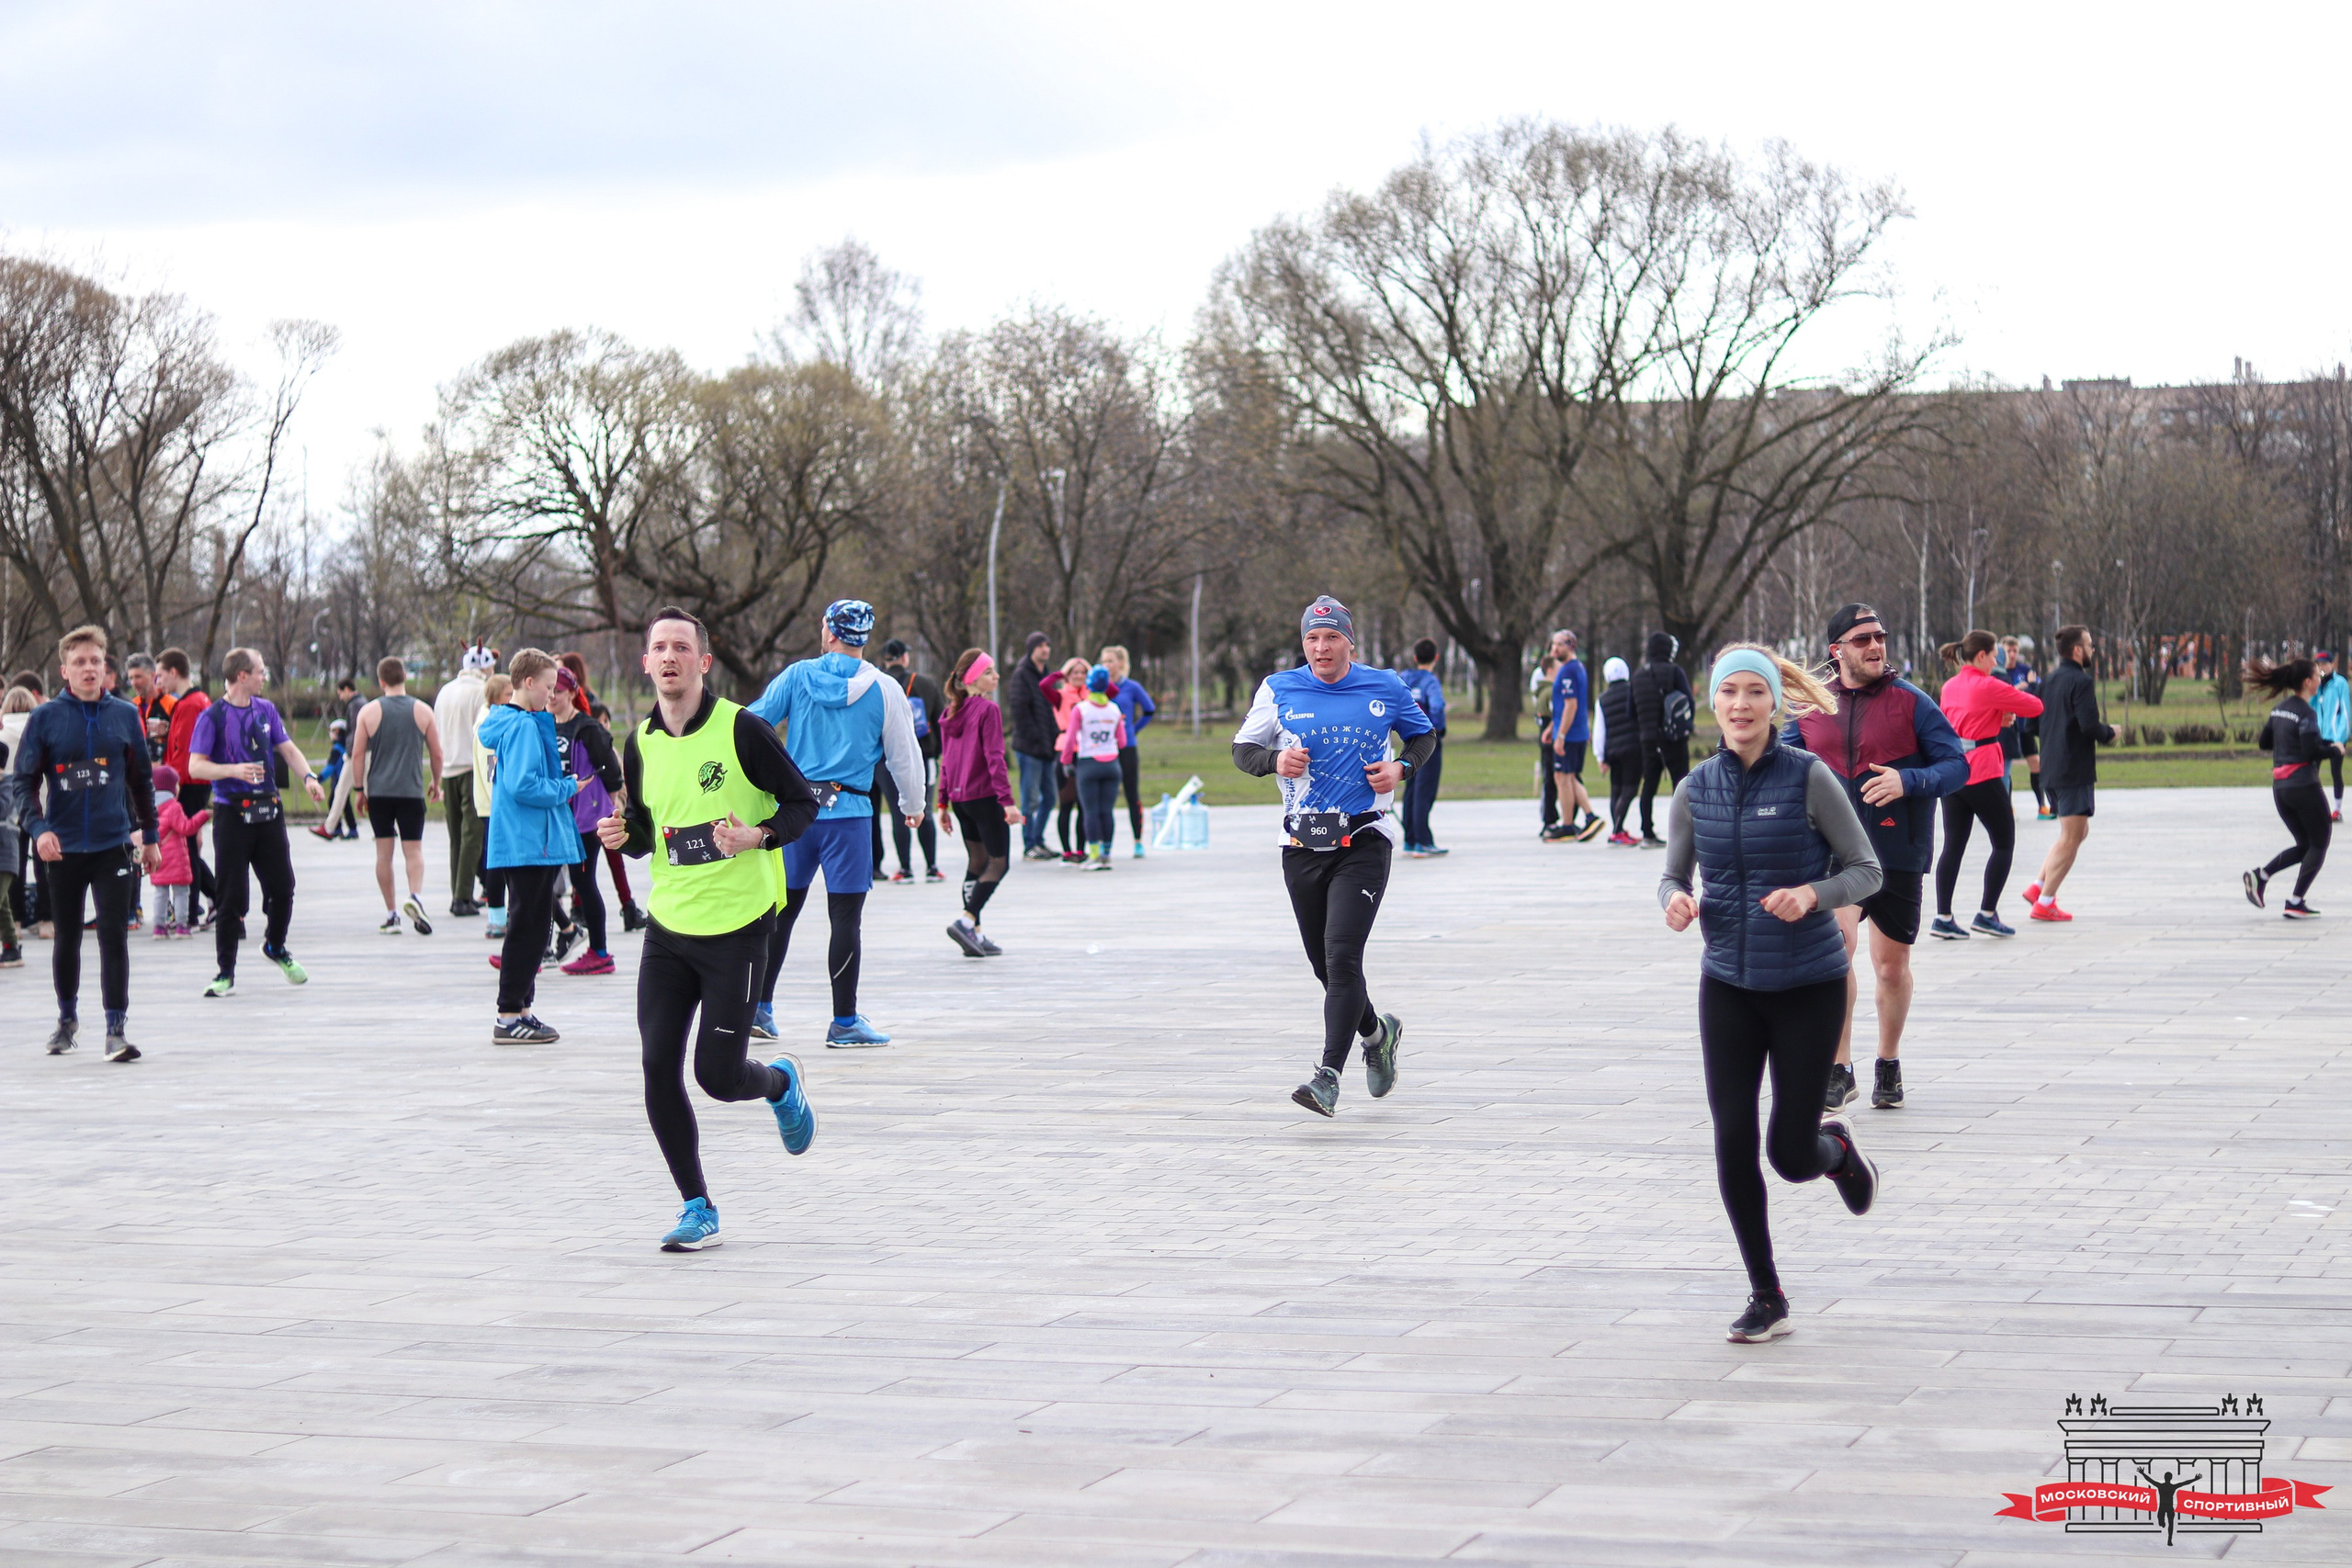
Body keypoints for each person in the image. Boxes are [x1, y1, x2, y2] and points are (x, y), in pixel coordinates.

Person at [1658, 644, 1883, 1344]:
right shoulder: (1695, 788)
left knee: (1788, 1153)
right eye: (1730, 693)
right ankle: (1766, 1292)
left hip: (1808, 986)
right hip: (1726, 984)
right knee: (1731, 1142)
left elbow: (1866, 869)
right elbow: (1671, 876)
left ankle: (1836, 1151)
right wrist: (1674, 903)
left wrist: (1814, 894)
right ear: (1715, 704)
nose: (1742, 705)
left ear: (1774, 704)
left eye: (1755, 692)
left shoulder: (1810, 777)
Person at [597, 607, 820, 1252]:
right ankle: (697, 1205)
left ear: (702, 661)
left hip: (739, 929)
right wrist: (623, 833)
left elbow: (803, 802)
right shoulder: (639, 742)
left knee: (717, 1077)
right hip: (669, 930)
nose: (669, 656)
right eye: (658, 647)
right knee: (656, 1064)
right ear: (646, 663)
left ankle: (779, 1082)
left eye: (681, 647)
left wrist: (760, 834)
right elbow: (647, 832)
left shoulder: (741, 730)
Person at [1232, 597, 1433, 1118]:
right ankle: (1377, 1032)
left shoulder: (1384, 686)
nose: (1321, 648)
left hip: (1363, 840)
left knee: (1343, 958)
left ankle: (1327, 1076)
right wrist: (1276, 759)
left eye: (1331, 638)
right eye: (1312, 639)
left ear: (1350, 642)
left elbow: (1425, 736)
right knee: (1326, 968)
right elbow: (1242, 751)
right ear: (1304, 645)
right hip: (1301, 844)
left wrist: (1402, 769)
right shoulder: (1278, 689)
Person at [1788, 604, 1967, 1114]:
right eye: (1863, 638)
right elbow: (1780, 763)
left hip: (1896, 853)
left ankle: (1887, 1061)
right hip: (1834, 857)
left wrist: (1907, 781)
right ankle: (1839, 1067)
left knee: (1890, 968)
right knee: (1836, 951)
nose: (1876, 647)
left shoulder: (1911, 702)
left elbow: (1956, 765)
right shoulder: (1810, 707)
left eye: (1881, 637)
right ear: (1836, 650)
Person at [746, 599, 924, 1048]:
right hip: (851, 815)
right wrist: (913, 802)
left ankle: (759, 1009)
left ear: (829, 631)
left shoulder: (796, 676)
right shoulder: (886, 689)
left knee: (780, 914)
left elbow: (751, 725)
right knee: (845, 919)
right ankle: (844, 1021)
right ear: (865, 637)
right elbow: (905, 753)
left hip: (795, 812)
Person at [16, 625, 160, 1061]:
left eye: (96, 661)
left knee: (114, 935)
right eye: (79, 662)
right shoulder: (46, 718)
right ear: (65, 670)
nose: (89, 668)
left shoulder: (123, 715)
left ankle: (116, 1029)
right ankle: (66, 1019)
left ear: (106, 668)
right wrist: (39, 831)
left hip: (112, 843)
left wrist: (150, 837)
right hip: (62, 848)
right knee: (68, 938)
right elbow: (22, 782)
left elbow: (142, 780)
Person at [188, 648, 326, 998]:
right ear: (242, 676)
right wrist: (234, 771)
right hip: (232, 812)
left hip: (269, 810)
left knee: (283, 888)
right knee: (231, 896)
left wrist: (308, 777)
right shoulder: (212, 717)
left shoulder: (266, 709)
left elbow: (288, 748)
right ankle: (225, 973)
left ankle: (275, 946)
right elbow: (195, 767)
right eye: (261, 671)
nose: (265, 677)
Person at [477, 649, 582, 1043]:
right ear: (528, 683)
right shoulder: (521, 727)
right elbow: (524, 785)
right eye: (549, 687)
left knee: (535, 927)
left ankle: (522, 1008)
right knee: (526, 929)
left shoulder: (517, 722)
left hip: (528, 840)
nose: (552, 695)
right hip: (527, 841)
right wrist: (567, 787)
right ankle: (508, 1015)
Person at [1928, 630, 2043, 941]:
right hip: (1982, 772)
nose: (1997, 662)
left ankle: (1943, 917)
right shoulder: (1990, 684)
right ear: (1981, 656)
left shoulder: (1950, 686)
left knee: (1953, 845)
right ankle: (1987, 913)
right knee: (2004, 842)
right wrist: (2009, 703)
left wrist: (1996, 716)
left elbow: (1964, 718)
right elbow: (2034, 707)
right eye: (1995, 656)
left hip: (1952, 774)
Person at [2021, 626, 2117, 925]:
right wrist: (2110, 733)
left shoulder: (2047, 681)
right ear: (2077, 650)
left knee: (2077, 833)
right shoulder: (2081, 682)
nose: (2092, 650)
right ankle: (2046, 901)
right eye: (2089, 645)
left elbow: (2030, 726)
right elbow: (2090, 726)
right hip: (2073, 769)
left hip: (2050, 770)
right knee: (2072, 836)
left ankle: (2038, 886)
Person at [348, 656, 446, 937]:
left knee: (384, 853)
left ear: (381, 681)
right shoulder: (423, 711)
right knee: (413, 850)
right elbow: (437, 753)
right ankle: (414, 896)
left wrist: (359, 790)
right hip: (411, 792)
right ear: (405, 678)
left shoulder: (368, 712)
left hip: (379, 792)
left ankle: (392, 914)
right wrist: (436, 782)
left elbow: (357, 755)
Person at [936, 649, 1021, 955]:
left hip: (961, 800)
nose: (995, 677)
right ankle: (966, 919)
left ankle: (976, 933)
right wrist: (1008, 802)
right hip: (985, 798)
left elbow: (946, 762)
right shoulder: (988, 711)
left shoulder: (950, 712)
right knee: (999, 863)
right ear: (973, 678)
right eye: (989, 672)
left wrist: (943, 803)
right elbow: (995, 758)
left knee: (977, 862)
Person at [2244, 656, 2339, 919]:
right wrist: (2334, 749)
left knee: (2305, 844)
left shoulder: (2279, 709)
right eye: (2317, 676)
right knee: (2319, 843)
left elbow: (2264, 743)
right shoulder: (2306, 712)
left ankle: (2260, 876)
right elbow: (2310, 750)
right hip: (2304, 787)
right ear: (2308, 682)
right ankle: (2295, 901)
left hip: (2281, 789)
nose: (2320, 678)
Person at [552, 667, 626, 975]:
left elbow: (613, 772)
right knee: (539, 882)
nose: (551, 697)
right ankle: (546, 943)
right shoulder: (544, 725)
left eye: (557, 691)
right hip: (555, 817)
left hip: (585, 820)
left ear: (571, 692)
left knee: (583, 882)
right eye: (548, 691)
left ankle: (600, 952)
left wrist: (608, 807)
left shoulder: (588, 728)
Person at [435, 642, 496, 917]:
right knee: (473, 835)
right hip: (472, 769)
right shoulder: (482, 691)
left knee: (456, 836)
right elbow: (486, 736)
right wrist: (492, 775)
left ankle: (458, 891)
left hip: (448, 769)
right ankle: (462, 896)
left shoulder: (445, 691)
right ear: (484, 666)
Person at [876, 639, 944, 883]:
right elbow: (939, 720)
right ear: (904, 657)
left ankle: (905, 869)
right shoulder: (925, 684)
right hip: (923, 756)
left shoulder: (876, 685)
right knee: (923, 809)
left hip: (885, 759)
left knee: (898, 813)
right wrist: (938, 753)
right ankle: (932, 867)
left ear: (886, 659)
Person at [157, 648, 214, 926]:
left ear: (173, 672)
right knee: (188, 843)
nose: (159, 683)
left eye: (160, 676)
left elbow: (186, 750)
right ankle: (210, 902)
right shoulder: (194, 701)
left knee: (186, 844)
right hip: (194, 780)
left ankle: (194, 909)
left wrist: (171, 781)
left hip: (189, 782)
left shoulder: (191, 704)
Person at [1629, 633, 1696, 847]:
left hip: (1647, 739)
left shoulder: (1638, 675)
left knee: (1649, 784)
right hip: (1673, 738)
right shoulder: (1674, 671)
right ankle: (1684, 833)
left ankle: (1647, 832)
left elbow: (1630, 711)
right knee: (1682, 784)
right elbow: (1688, 703)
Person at [1058, 665, 1128, 870]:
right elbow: (1122, 742)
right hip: (1112, 765)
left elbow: (1070, 739)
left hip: (1089, 763)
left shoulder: (1081, 709)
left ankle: (1094, 854)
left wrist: (1066, 762)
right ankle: (1107, 854)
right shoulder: (1114, 709)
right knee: (1107, 811)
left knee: (1091, 811)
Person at [1540, 629, 1604, 841]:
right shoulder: (1576, 668)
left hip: (1570, 734)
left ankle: (1571, 823)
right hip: (1571, 731)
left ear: (1570, 645)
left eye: (1559, 645)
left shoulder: (1568, 671)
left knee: (1563, 777)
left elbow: (1571, 705)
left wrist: (1561, 735)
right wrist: (1552, 728)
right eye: (1553, 645)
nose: (1554, 649)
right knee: (1566, 776)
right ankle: (1586, 817)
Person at [1006, 632, 1060, 861]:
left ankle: (1038, 839)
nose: (1045, 649)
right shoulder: (1021, 675)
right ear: (1031, 649)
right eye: (1040, 646)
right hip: (1029, 748)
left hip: (1048, 747)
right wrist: (1037, 737)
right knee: (1030, 799)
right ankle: (1029, 844)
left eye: (1047, 645)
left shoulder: (1046, 675)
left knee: (1049, 797)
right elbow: (1020, 710)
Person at [1100, 644, 1157, 857]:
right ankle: (1105, 844)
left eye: (1110, 661)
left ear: (1121, 663)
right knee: (1106, 797)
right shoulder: (1099, 687)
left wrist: (1133, 730)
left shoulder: (1131, 687)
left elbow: (1149, 709)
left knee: (1132, 794)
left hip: (1126, 746)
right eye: (1103, 661)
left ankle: (1138, 840)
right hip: (1104, 747)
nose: (1106, 665)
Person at [1396, 638, 1448, 857]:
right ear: (1436, 658)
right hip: (1428, 741)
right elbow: (1437, 705)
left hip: (1409, 740)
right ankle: (1423, 841)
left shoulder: (1404, 678)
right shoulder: (1431, 682)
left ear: (1415, 658)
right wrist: (1438, 728)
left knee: (1411, 789)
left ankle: (1409, 839)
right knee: (1424, 791)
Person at [472, 673, 513, 941]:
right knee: (497, 863)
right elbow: (491, 771)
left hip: (491, 803)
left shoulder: (490, 717)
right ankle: (497, 919)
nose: (513, 696)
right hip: (494, 805)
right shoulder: (490, 723)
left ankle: (499, 916)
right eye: (509, 692)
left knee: (496, 861)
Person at [149, 764, 208, 938]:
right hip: (177, 859)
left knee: (160, 893)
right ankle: (181, 925)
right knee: (181, 892)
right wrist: (202, 815)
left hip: (158, 857)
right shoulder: (173, 807)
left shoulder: (150, 808)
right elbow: (186, 828)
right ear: (171, 787)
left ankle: (159, 926)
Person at [1996, 636, 2047, 818]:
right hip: (2007, 728)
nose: (2012, 655)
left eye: (2015, 651)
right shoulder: (1998, 673)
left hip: (2024, 726)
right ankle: (2006, 807)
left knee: (2035, 762)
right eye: (2008, 651)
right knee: (2005, 767)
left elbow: (2038, 691)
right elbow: (2005, 695)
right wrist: (2019, 688)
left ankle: (2042, 805)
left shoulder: (2025, 670)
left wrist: (2029, 686)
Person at [1595, 656, 1642, 845]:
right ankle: (1617, 831)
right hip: (1633, 748)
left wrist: (1600, 756)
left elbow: (1599, 729)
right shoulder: (1634, 691)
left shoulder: (1602, 699)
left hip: (1613, 751)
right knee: (1630, 789)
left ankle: (1619, 829)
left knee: (1616, 789)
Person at [1047, 657, 1090, 862]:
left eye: (1083, 673)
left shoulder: (1091, 696)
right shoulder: (1060, 696)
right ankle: (1066, 850)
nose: (1079, 677)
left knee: (1084, 804)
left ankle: (1081, 849)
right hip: (1066, 750)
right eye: (1075, 673)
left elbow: (1112, 691)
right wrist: (1060, 675)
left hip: (1087, 749)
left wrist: (1096, 675)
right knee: (1066, 803)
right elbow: (1043, 686)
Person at [2314, 650, 2349, 822]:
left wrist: (2341, 739)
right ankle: (2314, 808)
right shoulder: (2316, 684)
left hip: (2335, 736)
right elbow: (2310, 705)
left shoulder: (2340, 683)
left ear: (2332, 664)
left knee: (2336, 772)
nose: (2322, 667)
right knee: (2312, 773)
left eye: (2325, 664)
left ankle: (2336, 809)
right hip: (2319, 735)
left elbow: (2345, 713)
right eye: (2319, 664)